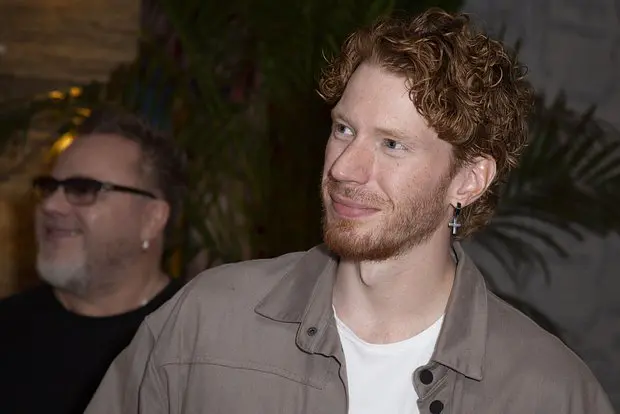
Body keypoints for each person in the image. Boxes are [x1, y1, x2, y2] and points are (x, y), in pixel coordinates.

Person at [85, 8, 614, 414]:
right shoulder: (204, 323)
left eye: (392, 144)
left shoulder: (550, 391)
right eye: (344, 129)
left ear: (468, 180)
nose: (344, 168)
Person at [0, 108, 186, 414]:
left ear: (151, 218)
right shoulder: (7, 328)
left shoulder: (195, 338)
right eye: (49, 188)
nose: (51, 205)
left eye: (83, 189)